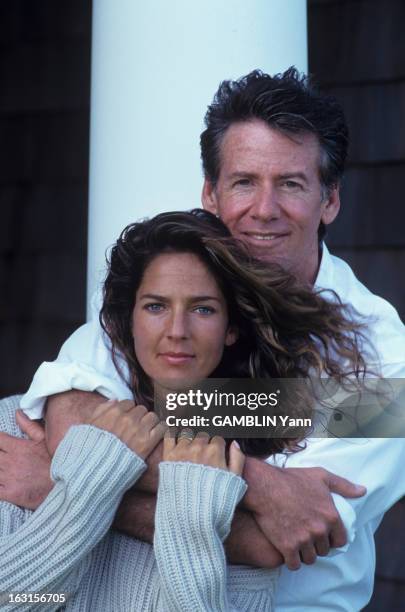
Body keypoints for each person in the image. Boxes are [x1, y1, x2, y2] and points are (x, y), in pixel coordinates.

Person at [3, 67, 405, 610]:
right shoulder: (173, 292)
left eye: (290, 183)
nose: (264, 209)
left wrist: (66, 488)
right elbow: (72, 411)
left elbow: (271, 542)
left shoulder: (379, 353)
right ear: (211, 194)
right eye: (244, 182)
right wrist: (259, 485)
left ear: (329, 200)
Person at [0, 210, 366, 610]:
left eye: (203, 309)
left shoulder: (243, 485)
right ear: (128, 320)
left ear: (231, 328)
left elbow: (372, 409)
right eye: (155, 307)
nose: (176, 331)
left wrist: (68, 488)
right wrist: (84, 492)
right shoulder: (18, 430)